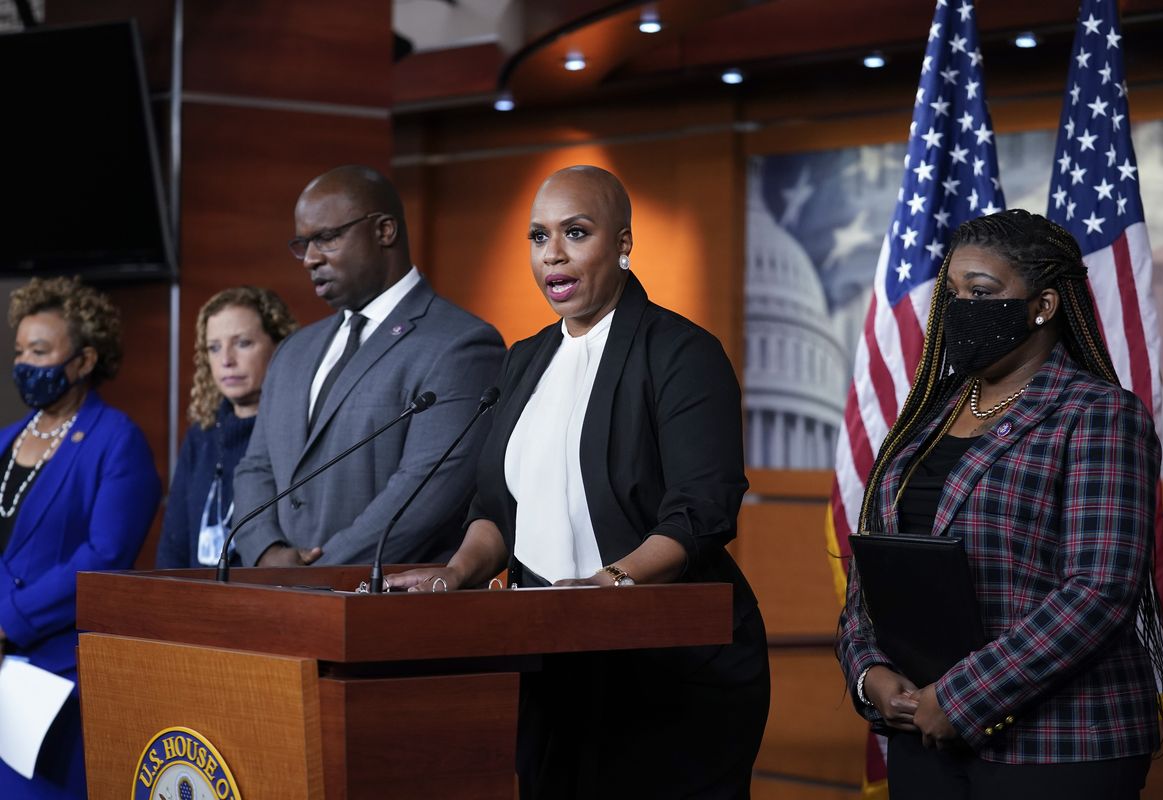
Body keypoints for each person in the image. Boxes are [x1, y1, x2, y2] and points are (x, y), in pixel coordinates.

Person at [386, 165, 771, 799]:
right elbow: (495, 508)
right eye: (539, 237)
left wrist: (609, 584)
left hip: (669, 666)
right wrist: (453, 575)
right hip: (555, 663)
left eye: (577, 232)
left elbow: (701, 511)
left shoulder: (680, 352)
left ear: (623, 244)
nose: (553, 254)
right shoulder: (525, 358)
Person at [836, 209, 1163, 800]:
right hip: (923, 735)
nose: (958, 307)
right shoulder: (924, 420)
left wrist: (963, 696)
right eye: (952, 292)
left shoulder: (1097, 415)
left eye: (981, 292)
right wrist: (870, 674)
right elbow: (876, 570)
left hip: (1060, 745)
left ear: (1043, 306)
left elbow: (1100, 592)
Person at [234, 165, 505, 568]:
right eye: (303, 244)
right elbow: (256, 465)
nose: (309, 259)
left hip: (386, 605)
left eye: (326, 239)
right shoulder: (294, 350)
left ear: (384, 231)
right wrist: (266, 554)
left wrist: (315, 578)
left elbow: (422, 495)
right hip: (279, 599)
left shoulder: (461, 346)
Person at [0, 276, 160, 799]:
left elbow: (104, 556)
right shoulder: (6, 439)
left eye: (41, 351)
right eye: (20, 349)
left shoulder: (117, 439)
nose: (25, 363)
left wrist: (9, 621)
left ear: (85, 360)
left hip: (55, 677)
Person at [157, 287, 297, 568]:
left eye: (243, 343)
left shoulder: (298, 431)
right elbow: (173, 548)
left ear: (280, 346)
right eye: (214, 347)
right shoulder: (203, 434)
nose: (226, 360)